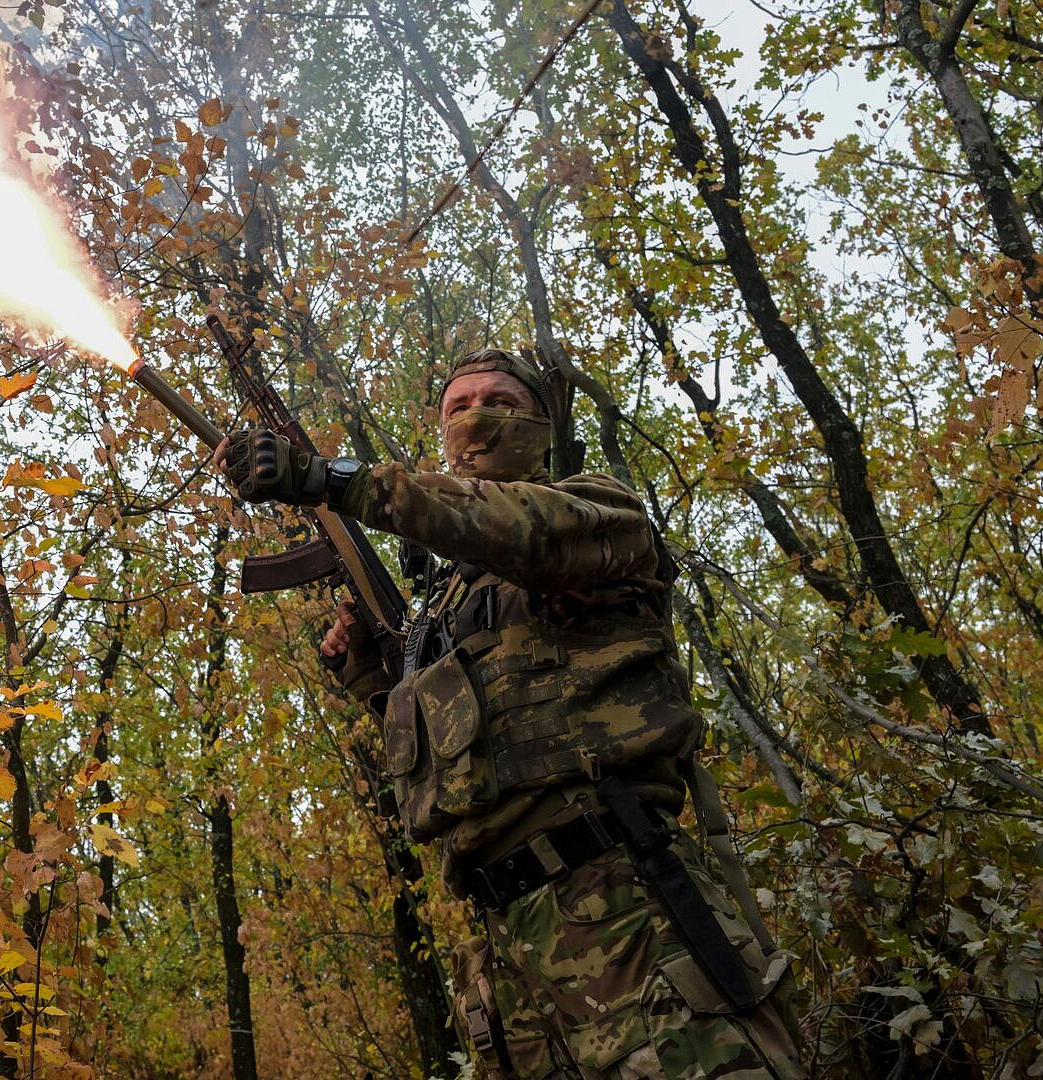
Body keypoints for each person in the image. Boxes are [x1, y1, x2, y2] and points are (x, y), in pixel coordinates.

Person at [213, 347, 805, 1079]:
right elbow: (460, 750)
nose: (476, 416)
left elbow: (521, 527)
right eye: (457, 406)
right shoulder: (446, 603)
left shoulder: (596, 516)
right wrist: (372, 672)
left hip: (621, 904)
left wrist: (332, 480)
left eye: (498, 400)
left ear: (545, 426)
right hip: (499, 945)